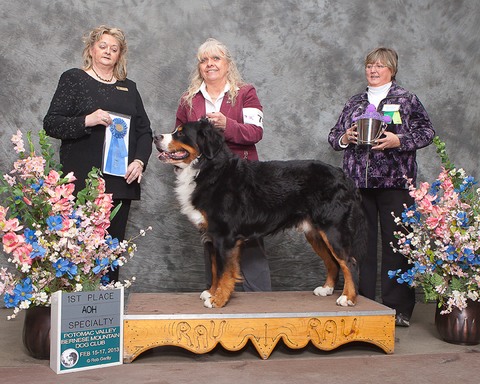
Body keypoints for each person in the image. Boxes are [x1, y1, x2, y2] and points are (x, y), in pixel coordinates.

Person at [328, 47, 435, 327]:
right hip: (356, 186)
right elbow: (333, 136)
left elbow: (427, 132)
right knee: (360, 244)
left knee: (397, 246)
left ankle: (398, 309)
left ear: (392, 70)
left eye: (380, 66)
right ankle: (361, 300)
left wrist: (399, 141)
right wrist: (345, 137)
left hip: (395, 184)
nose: (373, 70)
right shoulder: (354, 102)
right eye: (369, 65)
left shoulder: (406, 99)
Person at [44, 25, 153, 283]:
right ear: (91, 49)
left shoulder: (130, 88)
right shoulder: (73, 78)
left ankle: (108, 313)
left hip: (119, 181)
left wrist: (139, 161)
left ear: (120, 55)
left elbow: (145, 131)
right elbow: (51, 123)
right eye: (103, 46)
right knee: (78, 252)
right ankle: (78, 315)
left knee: (111, 252)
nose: (108, 51)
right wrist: (87, 120)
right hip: (81, 182)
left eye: (114, 49)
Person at [176, 38, 272, 292]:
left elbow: (254, 132)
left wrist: (226, 125)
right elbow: (180, 140)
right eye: (204, 60)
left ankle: (260, 301)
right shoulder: (189, 99)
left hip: (241, 180)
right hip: (205, 182)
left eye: (216, 58)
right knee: (213, 239)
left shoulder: (245, 92)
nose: (210, 64)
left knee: (250, 240)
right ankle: (216, 293)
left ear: (228, 64)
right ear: (199, 67)